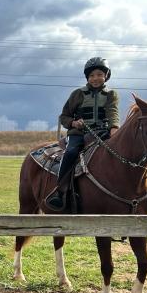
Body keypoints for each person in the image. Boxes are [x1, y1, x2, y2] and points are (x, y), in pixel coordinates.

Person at [45, 57, 120, 211]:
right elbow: (64, 116)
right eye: (91, 75)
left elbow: (113, 112)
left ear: (106, 75)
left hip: (103, 133)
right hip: (79, 134)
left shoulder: (111, 94)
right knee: (71, 152)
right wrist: (73, 123)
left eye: (99, 74)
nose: (95, 78)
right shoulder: (77, 94)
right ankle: (60, 191)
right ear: (87, 78)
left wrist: (114, 128)